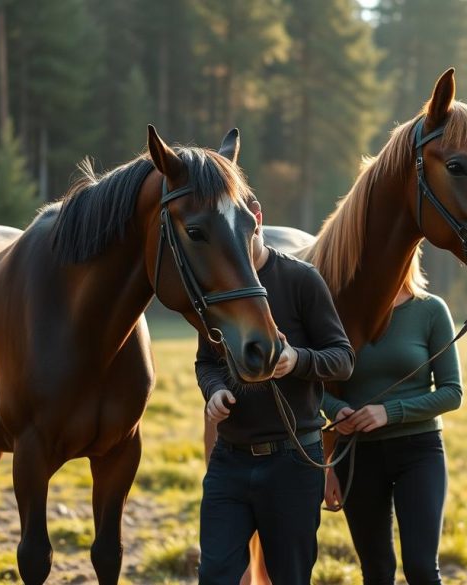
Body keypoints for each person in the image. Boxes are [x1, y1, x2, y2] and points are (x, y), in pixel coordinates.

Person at [195, 195, 355, 585]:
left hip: (293, 461)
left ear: (258, 221)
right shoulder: (215, 285)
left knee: (291, 577)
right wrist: (213, 391)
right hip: (229, 460)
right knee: (214, 574)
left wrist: (297, 360)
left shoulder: (301, 279)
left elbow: (343, 358)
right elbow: (207, 361)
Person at [321, 246, 462, 585]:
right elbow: (313, 387)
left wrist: (390, 412)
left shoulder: (430, 310)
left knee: (422, 570)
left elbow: (452, 392)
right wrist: (338, 410)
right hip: (356, 454)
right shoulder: (340, 314)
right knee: (376, 571)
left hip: (419, 451)